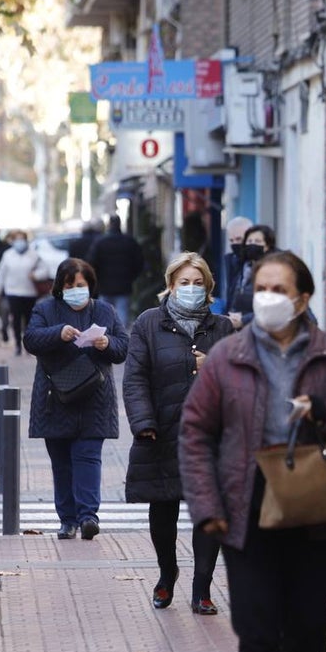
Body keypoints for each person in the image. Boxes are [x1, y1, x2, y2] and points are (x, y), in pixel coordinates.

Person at [180, 250, 326, 652]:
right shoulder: (226, 356)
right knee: (257, 629)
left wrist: (325, 411)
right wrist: (206, 506)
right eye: (261, 289)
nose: (267, 297)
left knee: (308, 627)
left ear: (302, 299)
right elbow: (195, 433)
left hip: (316, 506)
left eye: (279, 290)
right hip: (246, 506)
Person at [123, 252, 234, 615]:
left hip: (211, 435)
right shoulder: (148, 323)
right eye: (184, 283)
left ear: (208, 288)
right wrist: (143, 423)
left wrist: (213, 366)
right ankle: (166, 574)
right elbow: (135, 377)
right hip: (162, 431)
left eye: (198, 283)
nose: (191, 289)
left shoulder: (222, 328)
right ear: (170, 286)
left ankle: (202, 588)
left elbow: (239, 380)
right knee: (163, 508)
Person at [24, 258, 128, 541]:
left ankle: (88, 517)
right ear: (60, 287)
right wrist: (58, 333)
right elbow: (31, 339)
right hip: (55, 397)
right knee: (62, 462)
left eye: (80, 286)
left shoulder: (105, 311)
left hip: (95, 398)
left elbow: (122, 348)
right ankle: (67, 520)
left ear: (90, 286)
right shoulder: (45, 309)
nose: (75, 291)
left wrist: (106, 344)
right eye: (69, 286)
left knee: (88, 457)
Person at [0, 229, 48, 355]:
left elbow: (44, 271)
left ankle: (28, 344)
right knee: (16, 319)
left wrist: (35, 275)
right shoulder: (8, 255)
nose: (20, 242)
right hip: (13, 292)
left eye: (22, 239)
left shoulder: (34, 255)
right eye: (17, 239)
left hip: (29, 292)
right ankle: (17, 344)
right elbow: (1, 275)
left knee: (29, 320)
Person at [87, 214, 145, 327]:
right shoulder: (129, 241)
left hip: (104, 285)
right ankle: (121, 340)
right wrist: (131, 277)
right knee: (122, 315)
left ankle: (107, 340)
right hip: (124, 285)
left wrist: (96, 279)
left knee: (105, 315)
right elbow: (139, 262)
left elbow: (91, 263)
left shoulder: (100, 242)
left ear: (109, 225)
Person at [226, 223, 275, 331]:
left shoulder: (273, 270)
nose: (252, 245)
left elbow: (274, 308)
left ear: (267, 246)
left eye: (257, 242)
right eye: (249, 241)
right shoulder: (242, 266)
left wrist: (244, 319)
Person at [216, 215, 252, 316]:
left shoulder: (257, 263)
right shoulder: (232, 261)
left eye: (239, 239)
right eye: (231, 240)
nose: (235, 244)